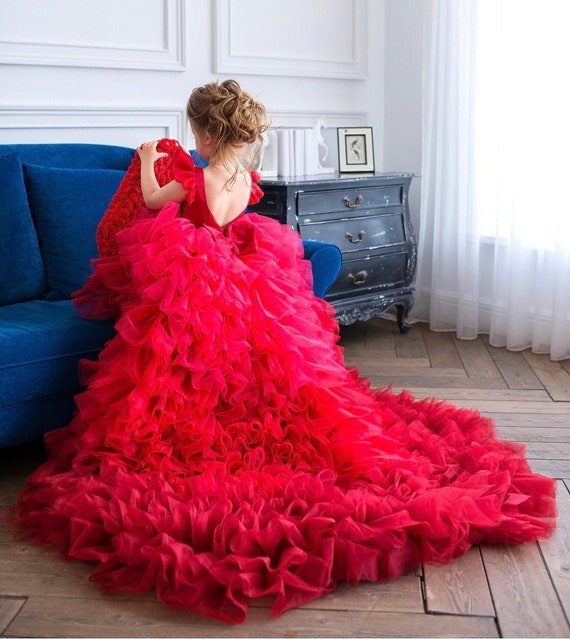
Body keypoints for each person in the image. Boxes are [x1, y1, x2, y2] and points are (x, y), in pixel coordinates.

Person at [9, 80, 556, 624]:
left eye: (194, 129)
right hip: (240, 271)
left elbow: (153, 202)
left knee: (174, 357)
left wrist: (152, 158)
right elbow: (230, 216)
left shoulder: (192, 176)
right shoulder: (245, 178)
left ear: (204, 132)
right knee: (267, 363)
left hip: (195, 274)